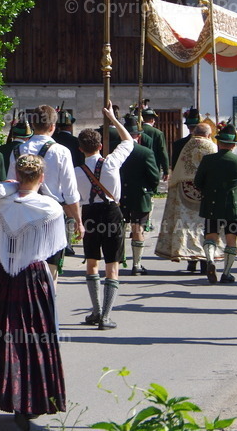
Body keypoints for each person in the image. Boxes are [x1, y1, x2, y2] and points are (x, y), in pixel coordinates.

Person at [0, 154, 67, 430]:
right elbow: (54, 247)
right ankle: (31, 400)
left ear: (16, 175)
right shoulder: (51, 208)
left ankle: (5, 394)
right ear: (42, 177)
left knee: (2, 334)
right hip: (32, 273)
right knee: (35, 336)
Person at [8, 105, 83, 281]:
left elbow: (11, 185)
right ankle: (49, 297)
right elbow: (70, 192)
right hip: (52, 215)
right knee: (51, 271)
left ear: (33, 125)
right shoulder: (61, 151)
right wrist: (78, 221)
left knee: (25, 269)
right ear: (52, 126)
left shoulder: (17, 150)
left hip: (23, 213)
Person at [76, 103, 133, 329]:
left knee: (92, 262)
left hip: (89, 213)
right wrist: (113, 119)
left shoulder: (76, 171)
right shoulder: (111, 162)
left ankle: (96, 310)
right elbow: (129, 140)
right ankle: (106, 316)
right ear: (100, 146)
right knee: (112, 264)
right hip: (111, 213)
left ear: (80, 149)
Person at [155, 122, 217, 272]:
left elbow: (178, 169)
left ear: (194, 133)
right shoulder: (212, 146)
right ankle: (205, 261)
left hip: (185, 190)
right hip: (206, 192)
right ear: (209, 134)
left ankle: (191, 260)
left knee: (186, 225)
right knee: (204, 225)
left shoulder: (186, 146)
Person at [194, 123, 237, 284]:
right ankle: (227, 272)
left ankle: (210, 260)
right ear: (234, 144)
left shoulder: (208, 160)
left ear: (219, 142)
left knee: (211, 235)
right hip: (233, 204)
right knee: (231, 239)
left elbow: (198, 182)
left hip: (212, 202)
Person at [118, 115, 161, 276]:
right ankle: (136, 265)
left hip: (120, 195)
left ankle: (117, 260)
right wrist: (150, 190)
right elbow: (154, 177)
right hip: (140, 195)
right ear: (138, 135)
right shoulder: (146, 152)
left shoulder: (115, 151)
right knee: (138, 229)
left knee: (119, 229)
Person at [141, 107, 170, 181]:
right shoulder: (158, 133)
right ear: (152, 120)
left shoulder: (137, 131)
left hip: (138, 165)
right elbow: (163, 152)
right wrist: (166, 171)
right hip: (153, 165)